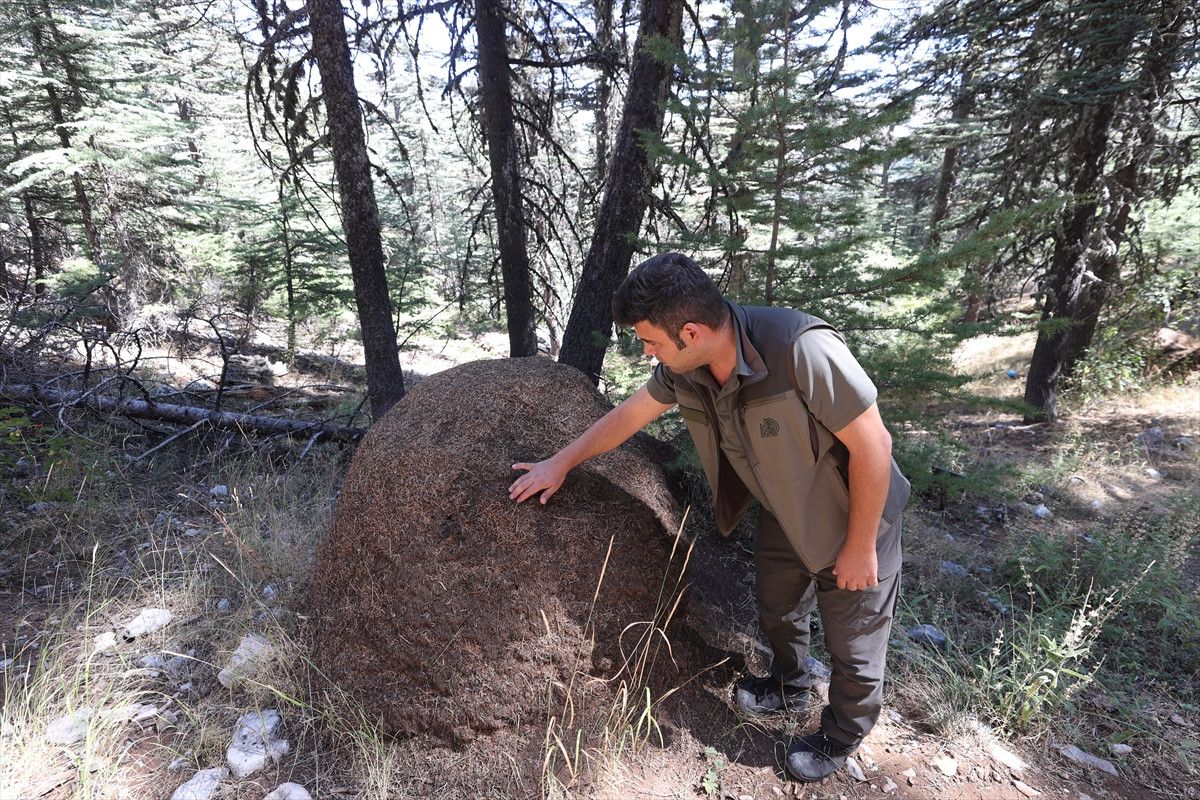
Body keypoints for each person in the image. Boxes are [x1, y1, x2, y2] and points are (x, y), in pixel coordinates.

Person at [509, 252, 910, 783]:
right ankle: (790, 687)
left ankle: (841, 734)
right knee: (778, 606)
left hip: (853, 515)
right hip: (783, 514)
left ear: (691, 332)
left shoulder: (800, 349)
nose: (647, 351)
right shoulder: (687, 371)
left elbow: (874, 445)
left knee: (854, 642)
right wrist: (561, 462)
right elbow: (629, 416)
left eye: (650, 340)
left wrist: (860, 545)